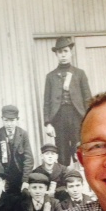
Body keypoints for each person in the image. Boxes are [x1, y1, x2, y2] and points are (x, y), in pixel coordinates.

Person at [42, 36, 92, 166]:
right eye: (60, 52)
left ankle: (83, 182)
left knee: (80, 149)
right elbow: (46, 101)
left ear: (70, 52)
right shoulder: (51, 76)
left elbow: (87, 99)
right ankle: (64, 183)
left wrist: (89, 119)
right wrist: (48, 123)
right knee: (62, 152)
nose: (63, 55)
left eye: (65, 51)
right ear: (56, 54)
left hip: (77, 117)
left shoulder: (79, 74)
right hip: (59, 118)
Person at [0, 104, 34, 195]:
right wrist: (1, 180)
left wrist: (25, 181)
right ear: (2, 119)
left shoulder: (23, 134)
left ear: (17, 120)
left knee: (24, 197)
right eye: (6, 120)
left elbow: (28, 159)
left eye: (12, 120)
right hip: (5, 175)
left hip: (20, 176)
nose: (9, 124)